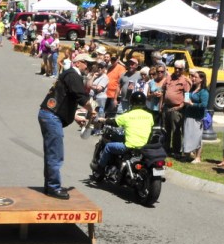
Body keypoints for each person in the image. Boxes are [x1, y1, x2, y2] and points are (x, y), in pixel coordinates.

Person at [38, 53, 95, 200]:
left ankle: (50, 185)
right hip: (52, 116)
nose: (88, 66)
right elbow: (81, 97)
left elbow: (66, 98)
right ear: (77, 63)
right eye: (86, 63)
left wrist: (74, 116)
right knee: (55, 154)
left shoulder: (69, 75)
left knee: (52, 153)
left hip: (50, 114)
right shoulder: (73, 75)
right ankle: (53, 188)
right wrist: (92, 108)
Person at [94, 92, 154, 173]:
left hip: (129, 146)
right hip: (144, 146)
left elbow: (114, 122)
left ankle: (100, 169)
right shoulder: (149, 115)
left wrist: (103, 120)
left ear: (132, 102)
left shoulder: (127, 115)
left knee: (108, 146)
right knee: (121, 138)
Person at [162, 60, 191, 156]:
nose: (177, 70)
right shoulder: (169, 78)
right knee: (166, 130)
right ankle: (165, 148)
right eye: (176, 68)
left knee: (176, 130)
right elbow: (163, 90)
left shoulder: (185, 80)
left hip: (177, 108)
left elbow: (187, 95)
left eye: (180, 69)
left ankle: (176, 150)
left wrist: (180, 106)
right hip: (166, 107)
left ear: (183, 69)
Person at [182, 71, 209, 163]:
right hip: (188, 115)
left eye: (195, 77)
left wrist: (192, 104)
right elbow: (187, 98)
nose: (193, 78)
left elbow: (204, 105)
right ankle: (187, 154)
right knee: (187, 135)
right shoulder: (192, 90)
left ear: (201, 79)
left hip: (197, 117)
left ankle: (198, 157)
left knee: (197, 137)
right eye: (192, 77)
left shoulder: (204, 92)